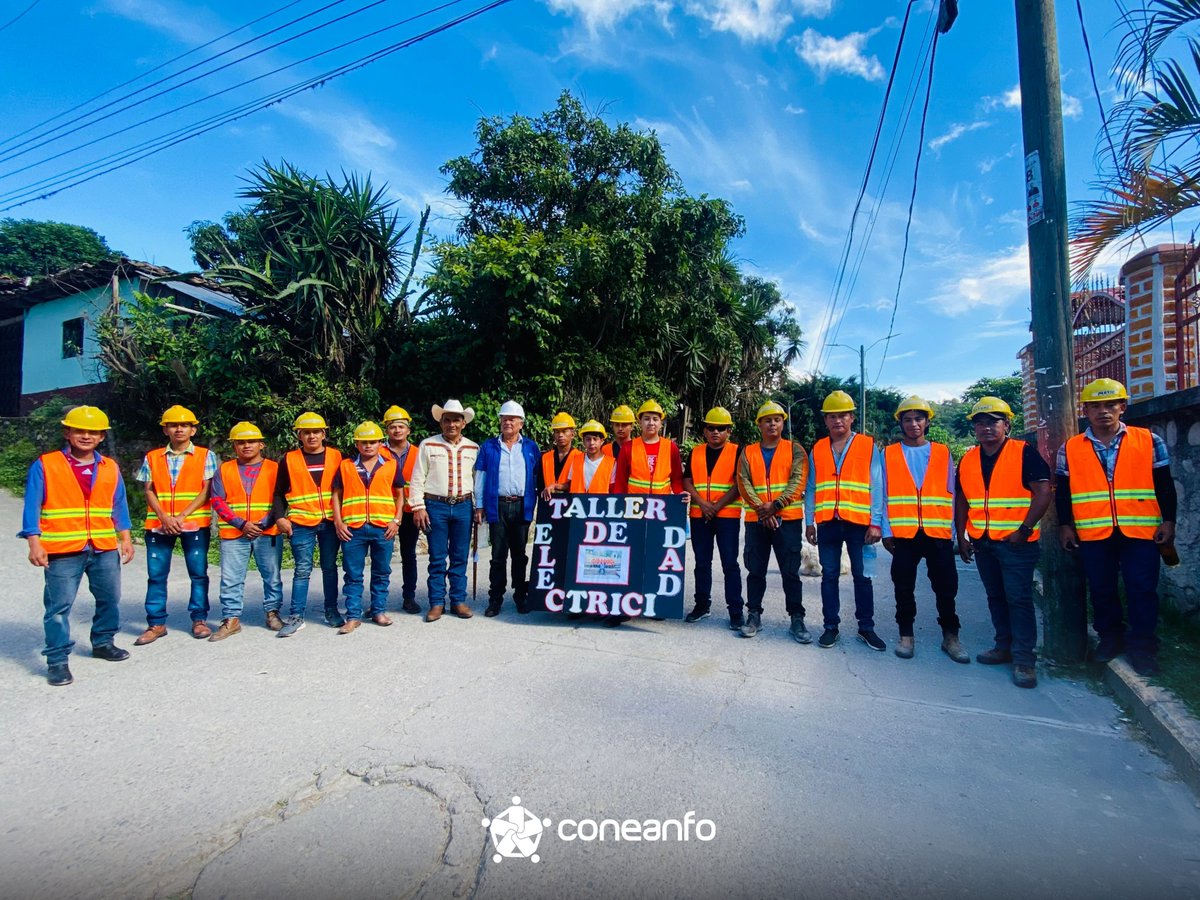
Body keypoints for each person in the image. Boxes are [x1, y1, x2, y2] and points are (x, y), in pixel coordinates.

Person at [1056, 378, 1176, 676]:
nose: (1103, 412)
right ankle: (1110, 639)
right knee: (1101, 589)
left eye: (1110, 404)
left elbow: (1165, 485)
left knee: (1142, 589)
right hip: (1094, 532)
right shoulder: (1070, 448)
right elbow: (1063, 491)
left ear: (1123, 406)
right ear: (1085, 410)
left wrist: (1169, 521)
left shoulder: (1149, 440)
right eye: (1095, 406)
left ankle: (1143, 648)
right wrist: (1064, 526)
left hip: (1141, 531)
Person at [20, 405, 134, 686]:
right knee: (59, 607)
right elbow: (31, 506)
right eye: (80, 430)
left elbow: (118, 504)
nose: (86, 436)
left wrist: (126, 538)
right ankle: (57, 660)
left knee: (109, 598)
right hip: (62, 548)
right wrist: (34, 543)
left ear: (101, 437)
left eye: (92, 432)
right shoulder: (46, 464)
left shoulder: (110, 467)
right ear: (67, 432)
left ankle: (103, 642)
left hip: (103, 545)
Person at [955, 396, 1051, 688]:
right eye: (980, 423)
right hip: (983, 541)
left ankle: (1024, 660)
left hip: (1016, 543)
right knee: (996, 596)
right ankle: (1003, 646)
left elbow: (1044, 492)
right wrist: (961, 535)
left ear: (1006, 424)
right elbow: (962, 500)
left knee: (1018, 599)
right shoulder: (969, 458)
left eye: (993, 422)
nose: (986, 428)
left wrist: (1024, 529)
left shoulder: (1024, 453)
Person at [880, 396, 967, 663]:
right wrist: (886, 530)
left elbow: (951, 493)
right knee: (903, 586)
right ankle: (906, 634)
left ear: (927, 422)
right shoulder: (889, 453)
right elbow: (882, 493)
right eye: (908, 419)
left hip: (937, 531)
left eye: (918, 419)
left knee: (946, 587)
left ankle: (950, 636)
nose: (913, 424)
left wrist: (954, 532)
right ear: (901, 423)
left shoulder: (942, 452)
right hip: (904, 533)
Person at [804, 390, 887, 652]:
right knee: (829, 576)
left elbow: (877, 486)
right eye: (832, 416)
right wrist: (809, 521)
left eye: (843, 415)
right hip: (828, 522)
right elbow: (811, 488)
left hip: (859, 524)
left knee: (863, 577)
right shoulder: (817, 448)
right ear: (825, 420)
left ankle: (866, 628)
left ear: (852, 418)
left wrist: (876, 522)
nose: (838, 420)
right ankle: (831, 627)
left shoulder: (867, 445)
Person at [134, 404, 217, 645]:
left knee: (198, 573)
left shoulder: (205, 455)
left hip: (193, 523)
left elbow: (206, 491)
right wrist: (164, 517)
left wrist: (180, 517)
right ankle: (156, 623)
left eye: (184, 425)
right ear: (165, 430)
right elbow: (148, 490)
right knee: (157, 575)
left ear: (193, 430)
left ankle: (199, 619)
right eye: (173, 425)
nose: (179, 429)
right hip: (159, 525)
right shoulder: (153, 457)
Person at [209, 422, 284, 642]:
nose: (246, 445)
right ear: (233, 446)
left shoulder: (274, 468)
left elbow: (279, 498)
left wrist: (263, 523)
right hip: (235, 533)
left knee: (272, 576)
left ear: (261, 444)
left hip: (267, 531)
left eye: (251, 441)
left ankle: (273, 613)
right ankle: (231, 619)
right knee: (231, 578)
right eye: (240, 442)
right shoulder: (225, 469)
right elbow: (217, 500)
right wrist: (241, 523)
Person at [737, 401, 807, 639]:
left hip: (787, 519)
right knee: (755, 570)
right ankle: (753, 614)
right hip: (757, 521)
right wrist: (761, 510)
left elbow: (797, 481)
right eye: (767, 420)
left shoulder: (795, 449)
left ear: (782, 423)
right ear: (759, 424)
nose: (772, 424)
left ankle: (797, 618)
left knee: (790, 572)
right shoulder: (748, 452)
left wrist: (775, 506)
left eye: (777, 420)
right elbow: (743, 483)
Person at [408, 399, 480, 622]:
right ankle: (437, 602)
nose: (451, 424)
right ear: (441, 422)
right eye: (447, 420)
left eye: (456, 420)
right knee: (437, 557)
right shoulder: (428, 445)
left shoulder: (473, 448)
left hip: (463, 506)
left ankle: (458, 601)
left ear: (463, 423)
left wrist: (478, 508)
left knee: (459, 557)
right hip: (435, 506)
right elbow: (418, 478)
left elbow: (477, 481)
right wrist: (418, 507)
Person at [274, 412, 344, 636]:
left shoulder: (336, 456)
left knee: (330, 567)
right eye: (307, 432)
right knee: (302, 570)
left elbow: (343, 490)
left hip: (330, 522)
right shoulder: (289, 459)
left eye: (316, 432)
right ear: (299, 435)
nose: (312, 436)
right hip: (301, 522)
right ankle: (296, 616)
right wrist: (280, 517)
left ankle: (331, 611)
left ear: (324, 434)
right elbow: (278, 493)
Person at [330, 421, 404, 634]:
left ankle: (378, 611)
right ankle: (353, 616)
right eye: (363, 442)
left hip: (383, 528)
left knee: (381, 572)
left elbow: (400, 494)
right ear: (356, 444)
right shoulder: (346, 466)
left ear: (381, 443)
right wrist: (338, 521)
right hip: (353, 528)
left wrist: (396, 520)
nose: (368, 446)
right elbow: (336, 494)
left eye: (372, 442)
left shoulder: (390, 465)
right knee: (353, 574)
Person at [474, 400, 540, 617]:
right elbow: (481, 477)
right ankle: (495, 599)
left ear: (521, 423)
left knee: (520, 555)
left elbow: (538, 476)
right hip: (497, 505)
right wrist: (479, 506)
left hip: (522, 505)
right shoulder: (489, 447)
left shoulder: (531, 447)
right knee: (497, 555)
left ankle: (521, 596)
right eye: (504, 418)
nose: (507, 422)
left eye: (512, 419)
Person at [682, 406, 744, 627]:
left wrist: (716, 506)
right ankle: (702, 605)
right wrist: (702, 503)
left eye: (721, 428)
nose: (715, 432)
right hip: (700, 514)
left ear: (729, 431)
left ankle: (736, 611)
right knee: (701, 563)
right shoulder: (696, 452)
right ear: (704, 430)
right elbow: (687, 480)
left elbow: (739, 485)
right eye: (711, 428)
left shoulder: (737, 452)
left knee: (730, 564)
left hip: (727, 515)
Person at [380, 405, 422, 615]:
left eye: (401, 426)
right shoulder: (377, 451)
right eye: (392, 427)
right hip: (384, 512)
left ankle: (409, 597)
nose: (397, 430)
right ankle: (379, 601)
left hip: (410, 510)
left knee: (409, 554)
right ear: (386, 430)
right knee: (381, 557)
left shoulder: (419, 452)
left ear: (408, 430)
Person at [612, 400, 684, 495]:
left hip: (661, 505)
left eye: (655, 419)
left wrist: (680, 493)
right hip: (635, 505)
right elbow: (621, 482)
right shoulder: (628, 448)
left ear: (660, 423)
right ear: (639, 422)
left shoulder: (671, 447)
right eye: (646, 419)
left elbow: (676, 479)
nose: (651, 423)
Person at [538, 412, 583, 501]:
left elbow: (577, 484)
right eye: (557, 432)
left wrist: (556, 486)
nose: (560, 435)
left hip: (571, 504)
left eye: (564, 431)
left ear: (573, 434)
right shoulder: (545, 458)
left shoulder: (580, 457)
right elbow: (540, 484)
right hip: (548, 504)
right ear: (553, 435)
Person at [569, 420, 615, 493]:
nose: (591, 443)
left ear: (602, 441)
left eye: (595, 439)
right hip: (578, 503)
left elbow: (613, 489)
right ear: (583, 441)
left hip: (601, 503)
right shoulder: (576, 460)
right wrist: (555, 486)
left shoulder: (612, 464)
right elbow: (569, 484)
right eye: (588, 439)